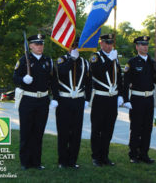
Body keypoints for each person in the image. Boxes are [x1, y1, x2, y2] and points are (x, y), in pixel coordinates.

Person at [13, 33, 59, 170]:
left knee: (38, 133)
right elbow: (15, 77)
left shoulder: (48, 61)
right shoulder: (23, 60)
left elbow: (54, 82)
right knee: (26, 132)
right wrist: (22, 80)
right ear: (31, 46)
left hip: (43, 101)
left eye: (42, 44)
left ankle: (36, 162)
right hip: (27, 100)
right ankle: (25, 162)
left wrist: (55, 98)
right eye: (37, 44)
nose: (40, 46)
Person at [123, 36, 156, 164]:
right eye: (142, 44)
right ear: (137, 47)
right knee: (136, 127)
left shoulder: (151, 62)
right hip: (136, 99)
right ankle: (133, 154)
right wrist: (126, 99)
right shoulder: (132, 62)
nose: (145, 47)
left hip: (149, 99)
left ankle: (144, 154)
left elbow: (154, 76)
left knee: (147, 128)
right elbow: (125, 82)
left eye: (146, 44)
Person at [55, 37, 92, 169]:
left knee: (76, 133)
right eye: (72, 46)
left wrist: (87, 99)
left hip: (79, 101)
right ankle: (62, 161)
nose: (74, 48)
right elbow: (62, 72)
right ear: (67, 47)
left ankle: (72, 160)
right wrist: (72, 59)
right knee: (64, 132)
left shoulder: (85, 63)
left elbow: (89, 83)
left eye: (76, 46)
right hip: (64, 100)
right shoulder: (62, 60)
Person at [89, 33, 124, 167]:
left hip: (112, 98)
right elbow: (97, 72)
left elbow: (119, 78)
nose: (109, 45)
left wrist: (121, 95)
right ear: (101, 43)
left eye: (111, 43)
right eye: (107, 43)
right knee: (97, 128)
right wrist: (110, 60)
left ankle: (105, 156)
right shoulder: (95, 57)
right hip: (100, 97)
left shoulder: (115, 58)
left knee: (108, 129)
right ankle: (96, 157)